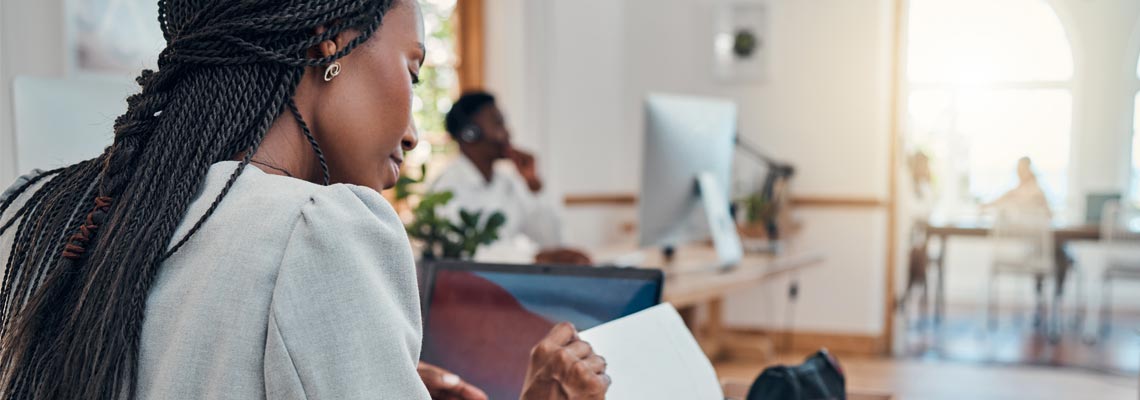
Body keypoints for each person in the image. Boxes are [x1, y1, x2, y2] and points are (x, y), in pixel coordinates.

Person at [0, 1, 607, 399]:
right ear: (329, 45)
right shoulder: (322, 231)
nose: (414, 133)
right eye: (412, 71)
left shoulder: (31, 212)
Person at [430, 92, 590, 265]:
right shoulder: (447, 188)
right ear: (470, 133)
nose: (508, 132)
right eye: (498, 123)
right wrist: (533, 258)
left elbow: (553, 240)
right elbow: (462, 252)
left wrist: (534, 185)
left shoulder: (507, 183)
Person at [984, 156, 1053, 218]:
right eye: (1018, 169)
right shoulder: (1018, 190)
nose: (1018, 172)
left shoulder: (1036, 191)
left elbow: (1048, 213)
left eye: (1021, 169)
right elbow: (1003, 198)